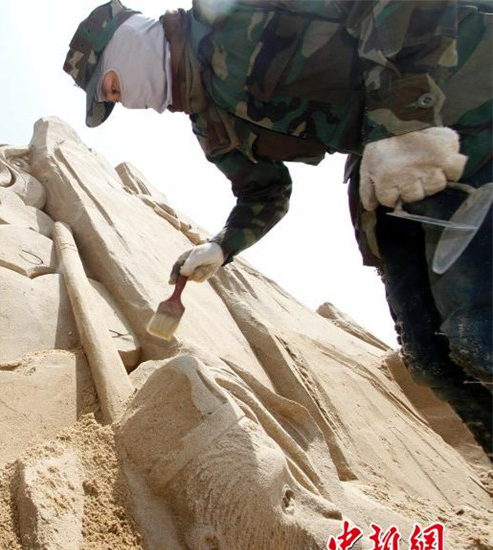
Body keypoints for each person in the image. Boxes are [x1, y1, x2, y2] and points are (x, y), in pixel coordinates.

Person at [64, 0, 492, 456]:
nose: (120, 100)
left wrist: (403, 120)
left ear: (126, 44)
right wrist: (221, 247)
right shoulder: (211, 125)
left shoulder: (229, 10)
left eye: (108, 86)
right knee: (432, 357)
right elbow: (264, 194)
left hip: (458, 90)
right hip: (389, 156)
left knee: (477, 330)